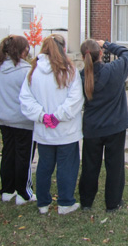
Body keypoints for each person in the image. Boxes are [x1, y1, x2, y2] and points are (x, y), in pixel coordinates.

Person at [19, 35, 84, 215]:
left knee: (44, 166)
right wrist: (52, 116)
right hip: (65, 130)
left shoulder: (33, 70)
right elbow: (76, 99)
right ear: (63, 48)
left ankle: (43, 202)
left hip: (45, 129)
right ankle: (65, 202)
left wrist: (43, 116)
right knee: (66, 167)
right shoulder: (69, 70)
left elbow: (25, 98)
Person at [78, 40, 128, 213]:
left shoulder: (81, 77)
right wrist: (107, 44)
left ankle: (86, 202)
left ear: (82, 57)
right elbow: (127, 53)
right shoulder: (114, 71)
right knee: (115, 165)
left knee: (89, 165)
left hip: (93, 128)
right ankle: (113, 203)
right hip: (114, 127)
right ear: (101, 53)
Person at [0, 35, 36, 205]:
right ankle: (24, 192)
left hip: (4, 119)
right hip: (22, 120)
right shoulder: (25, 72)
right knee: (23, 156)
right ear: (22, 50)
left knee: (8, 154)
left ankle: (7, 189)